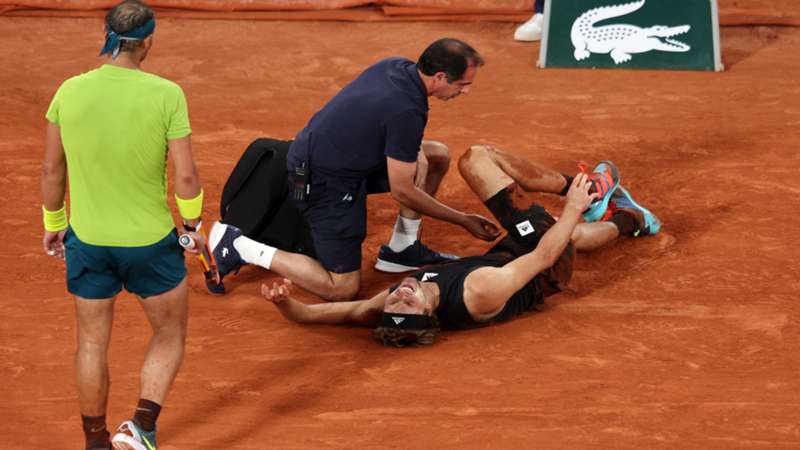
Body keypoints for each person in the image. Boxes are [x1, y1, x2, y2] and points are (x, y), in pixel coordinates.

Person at [260, 144, 661, 346]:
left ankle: (631, 219)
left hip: (509, 257)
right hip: (542, 266)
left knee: (571, 233)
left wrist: (283, 303)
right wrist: (573, 205)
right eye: (408, 304)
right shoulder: (479, 291)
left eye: (394, 303)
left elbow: (314, 316)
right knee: (477, 160)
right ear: (431, 311)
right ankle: (601, 195)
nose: (400, 295)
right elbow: (543, 256)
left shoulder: (387, 308)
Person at [209, 38, 500, 302]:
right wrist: (462, 219)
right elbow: (403, 191)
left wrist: (414, 149)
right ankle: (239, 245)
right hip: (321, 182)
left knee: (435, 156)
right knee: (343, 287)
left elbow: (373, 117)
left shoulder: (395, 67)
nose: (466, 91)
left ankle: (402, 248)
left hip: (329, 157)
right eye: (462, 84)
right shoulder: (406, 110)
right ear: (439, 77)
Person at [40, 1, 204, 449]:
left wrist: (54, 222)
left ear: (108, 35)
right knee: (169, 333)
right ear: (147, 41)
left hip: (87, 242)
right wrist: (193, 221)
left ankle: (95, 443)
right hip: (150, 244)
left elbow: (53, 171)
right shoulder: (167, 94)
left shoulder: (68, 92)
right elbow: (185, 175)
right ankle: (142, 429)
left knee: (91, 343)